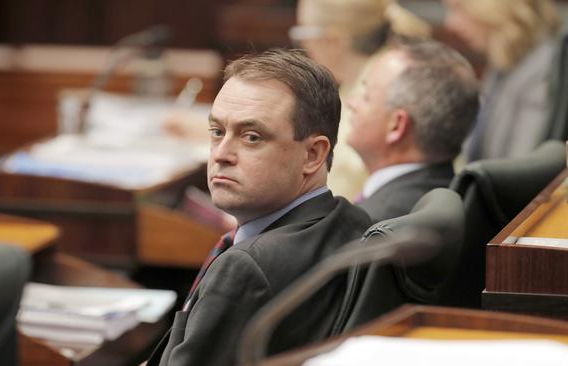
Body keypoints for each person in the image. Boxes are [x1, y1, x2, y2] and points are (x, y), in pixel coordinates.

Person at [147, 49, 371, 366]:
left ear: (313, 155)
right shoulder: (349, 220)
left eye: (251, 137)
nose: (221, 154)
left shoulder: (245, 268)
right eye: (217, 132)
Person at [292, 0, 431, 201]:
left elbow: (340, 189)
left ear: (333, 39)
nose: (304, 45)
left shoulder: (385, 91)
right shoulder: (354, 85)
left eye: (303, 33)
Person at [347, 37, 479, 223]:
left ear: (396, 126)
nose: (351, 102)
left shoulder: (371, 226)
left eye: (366, 96)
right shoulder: (451, 195)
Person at [443, 0, 562, 161]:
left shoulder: (544, 71)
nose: (450, 23)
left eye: (458, 8)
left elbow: (519, 170)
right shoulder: (504, 60)